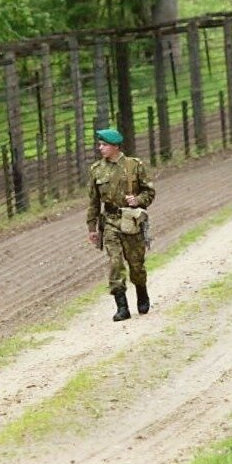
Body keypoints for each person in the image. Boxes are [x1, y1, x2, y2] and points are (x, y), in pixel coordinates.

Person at [87, 128, 156, 321]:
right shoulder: (96, 170)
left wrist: (138, 200)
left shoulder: (134, 165)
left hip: (131, 221)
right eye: (99, 144)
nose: (100, 148)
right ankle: (122, 307)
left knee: (136, 265)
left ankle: (141, 292)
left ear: (115, 146)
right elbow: (93, 201)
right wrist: (92, 228)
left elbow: (149, 192)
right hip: (109, 222)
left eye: (104, 145)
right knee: (115, 264)